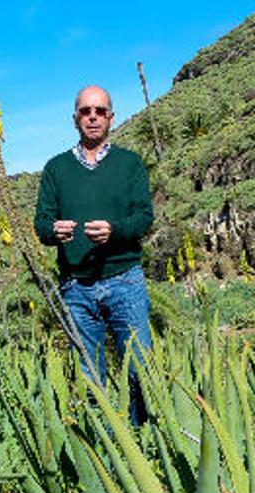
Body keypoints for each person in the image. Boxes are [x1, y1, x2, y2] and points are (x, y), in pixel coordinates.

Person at [34, 85, 154, 424]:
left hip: (125, 281)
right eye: (86, 111)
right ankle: (104, 450)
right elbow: (41, 223)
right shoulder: (56, 169)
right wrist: (53, 230)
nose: (93, 117)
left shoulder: (129, 164)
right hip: (76, 287)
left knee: (140, 369)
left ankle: (144, 441)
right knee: (88, 374)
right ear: (75, 119)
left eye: (100, 111)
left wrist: (114, 231)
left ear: (111, 118)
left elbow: (144, 217)